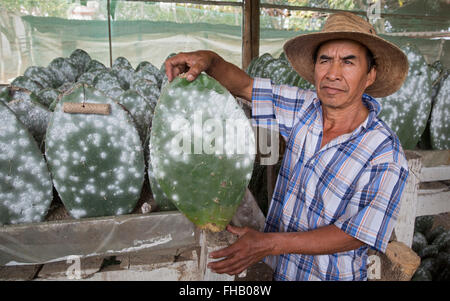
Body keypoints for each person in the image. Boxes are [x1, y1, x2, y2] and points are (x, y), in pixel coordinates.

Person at [164, 12, 410, 281]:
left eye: (348, 62)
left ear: (370, 75)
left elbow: (356, 234)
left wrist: (269, 244)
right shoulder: (305, 109)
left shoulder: (384, 153)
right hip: (283, 273)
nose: (333, 74)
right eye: (324, 60)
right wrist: (209, 60)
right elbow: (246, 86)